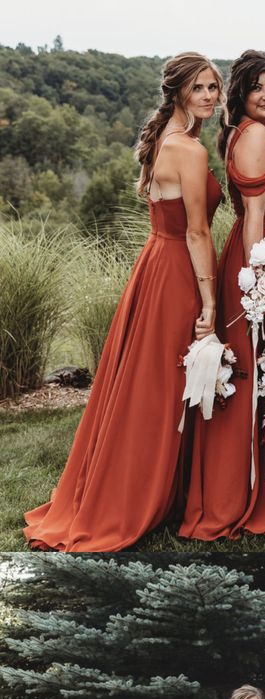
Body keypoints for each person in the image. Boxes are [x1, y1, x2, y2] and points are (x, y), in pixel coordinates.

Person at [25, 53, 223, 552]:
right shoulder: (190, 151)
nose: (210, 97)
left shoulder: (168, 140)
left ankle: (154, 488)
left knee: (146, 381)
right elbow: (198, 230)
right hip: (176, 269)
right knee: (160, 386)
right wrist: (210, 302)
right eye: (200, 88)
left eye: (214, 88)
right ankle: (141, 494)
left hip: (153, 263)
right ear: (178, 92)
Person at [181, 51, 265, 541]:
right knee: (262, 368)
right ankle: (251, 493)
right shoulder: (254, 135)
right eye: (257, 87)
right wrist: (263, 284)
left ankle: (250, 484)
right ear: (241, 92)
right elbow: (255, 217)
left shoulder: (253, 131)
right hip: (263, 265)